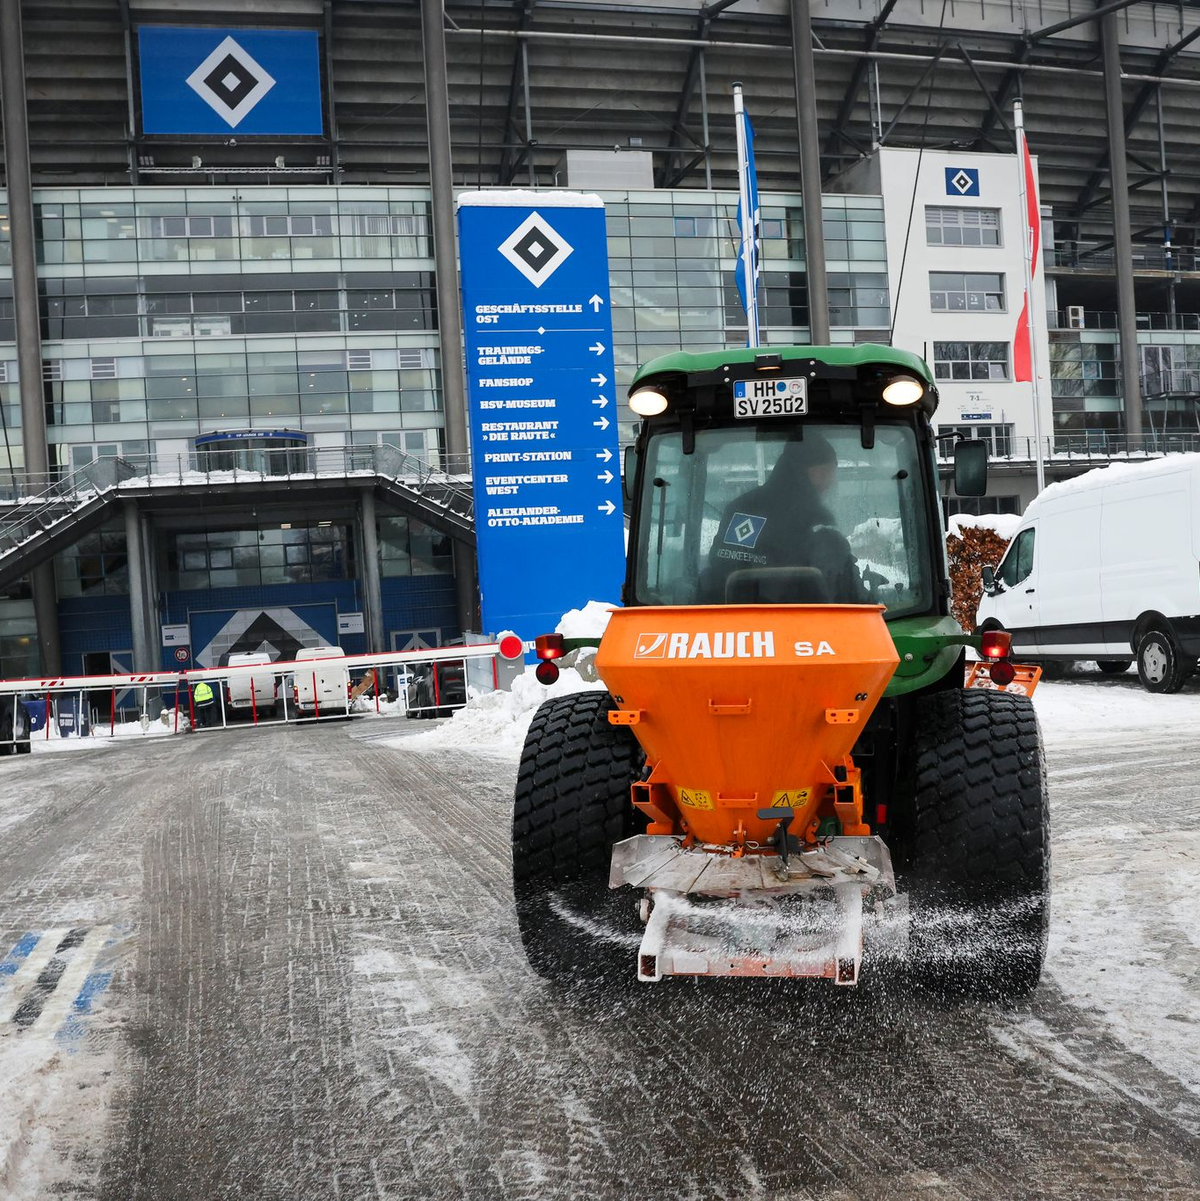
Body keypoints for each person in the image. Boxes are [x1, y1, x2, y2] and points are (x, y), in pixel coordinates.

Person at [702, 431, 866, 604]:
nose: (830, 482)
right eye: (825, 472)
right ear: (801, 471)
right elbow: (840, 587)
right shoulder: (817, 522)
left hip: (735, 625)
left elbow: (718, 569)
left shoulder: (742, 508)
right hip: (808, 622)